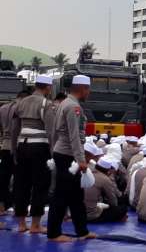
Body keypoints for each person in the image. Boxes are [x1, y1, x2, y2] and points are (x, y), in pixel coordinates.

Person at [47, 75, 96, 242]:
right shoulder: (74, 107)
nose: (89, 93)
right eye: (88, 89)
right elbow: (74, 136)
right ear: (82, 88)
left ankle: (82, 231)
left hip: (63, 153)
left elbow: (54, 131)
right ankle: (53, 233)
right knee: (61, 196)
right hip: (69, 156)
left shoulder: (63, 104)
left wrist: (53, 151)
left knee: (76, 196)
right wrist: (81, 160)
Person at [12, 74, 54, 233]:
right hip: (39, 148)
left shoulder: (22, 102)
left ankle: (21, 224)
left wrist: (14, 149)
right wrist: (52, 153)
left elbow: (15, 127)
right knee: (40, 185)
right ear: (48, 88)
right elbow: (50, 131)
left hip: (22, 146)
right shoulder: (46, 103)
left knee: (21, 184)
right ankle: (36, 224)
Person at [0, 90, 28, 215]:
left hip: (5, 146)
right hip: (18, 146)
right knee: (20, 179)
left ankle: (1, 206)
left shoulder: (3, 108)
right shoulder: (23, 108)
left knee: (3, 178)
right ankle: (18, 207)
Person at [85, 157, 127, 223]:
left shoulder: (86, 173)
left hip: (76, 213)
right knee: (123, 208)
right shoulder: (105, 179)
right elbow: (113, 201)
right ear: (108, 170)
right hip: (90, 216)